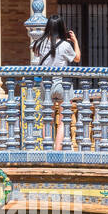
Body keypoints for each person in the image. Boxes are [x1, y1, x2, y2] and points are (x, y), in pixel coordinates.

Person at [30, 14, 76, 151]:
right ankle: (57, 149)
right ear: (62, 28)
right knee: (62, 120)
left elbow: (36, 53)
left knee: (47, 120)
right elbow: (77, 58)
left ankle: (48, 148)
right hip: (62, 84)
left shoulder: (40, 43)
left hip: (46, 84)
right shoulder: (66, 45)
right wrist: (75, 41)